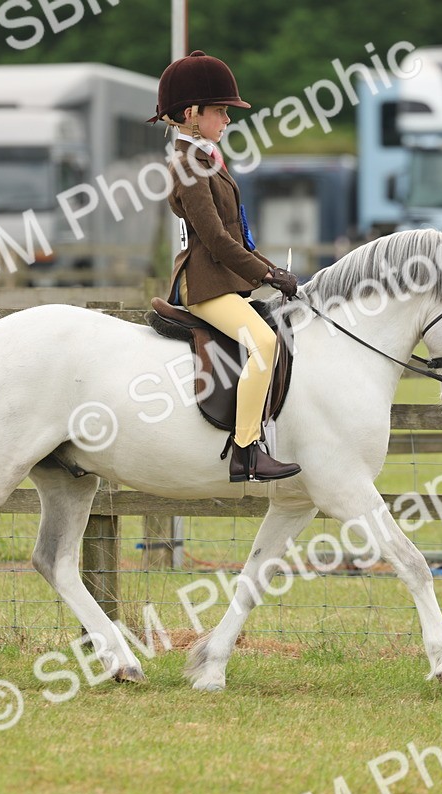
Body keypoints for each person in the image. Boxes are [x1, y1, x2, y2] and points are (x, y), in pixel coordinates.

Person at [149, 50, 300, 483]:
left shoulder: (206, 159)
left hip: (224, 279)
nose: (227, 119)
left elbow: (237, 236)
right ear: (192, 114)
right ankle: (246, 450)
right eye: (220, 111)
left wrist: (271, 268)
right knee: (265, 345)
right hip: (206, 285)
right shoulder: (189, 166)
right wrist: (267, 275)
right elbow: (216, 241)